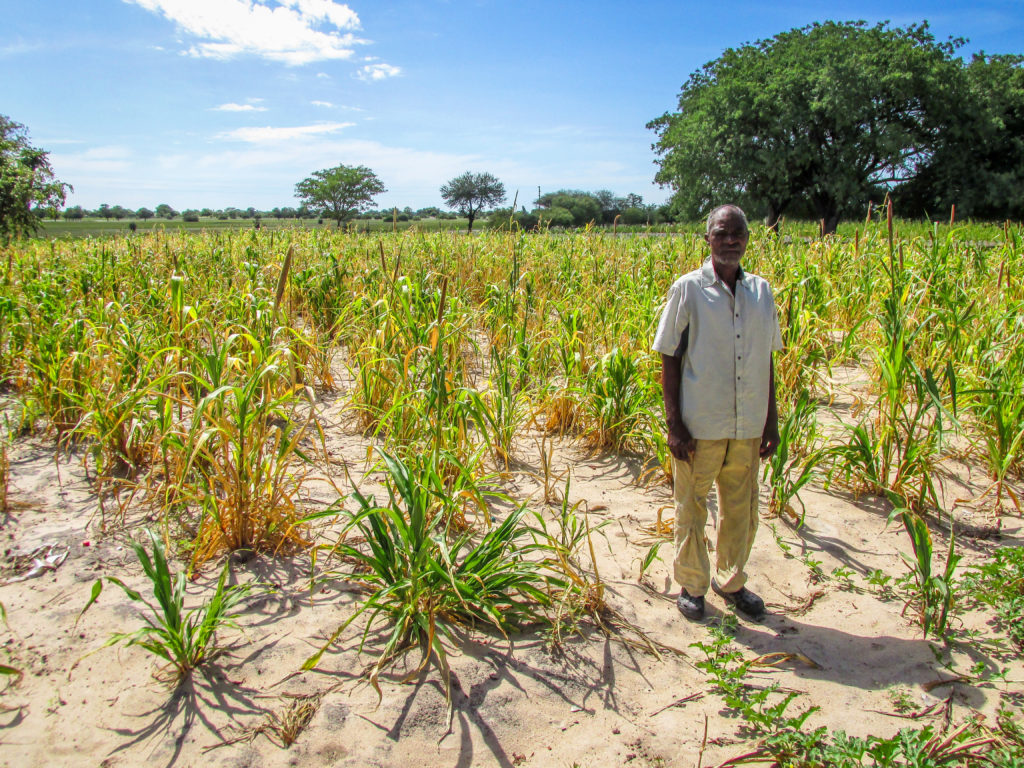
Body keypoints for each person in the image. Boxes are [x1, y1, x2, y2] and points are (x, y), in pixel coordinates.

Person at [652, 204, 781, 620]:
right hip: (699, 424)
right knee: (692, 505)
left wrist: (771, 421)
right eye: (722, 233)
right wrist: (674, 425)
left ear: (747, 238)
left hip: (747, 424)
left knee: (741, 509)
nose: (731, 240)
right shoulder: (688, 289)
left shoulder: (761, 292)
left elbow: (767, 360)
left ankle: (732, 581)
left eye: (738, 233)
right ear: (707, 239)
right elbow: (669, 356)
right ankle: (692, 584)